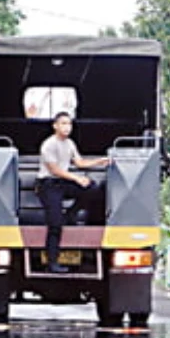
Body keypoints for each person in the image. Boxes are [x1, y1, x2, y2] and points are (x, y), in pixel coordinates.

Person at [36, 112, 111, 273]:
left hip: (63, 182)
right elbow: (54, 170)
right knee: (55, 224)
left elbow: (80, 162)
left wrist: (99, 161)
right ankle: (52, 262)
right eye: (63, 123)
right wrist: (76, 178)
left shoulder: (69, 144)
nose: (66, 127)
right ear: (55, 126)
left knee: (93, 188)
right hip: (47, 185)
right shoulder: (49, 144)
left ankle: (71, 214)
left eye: (69, 124)